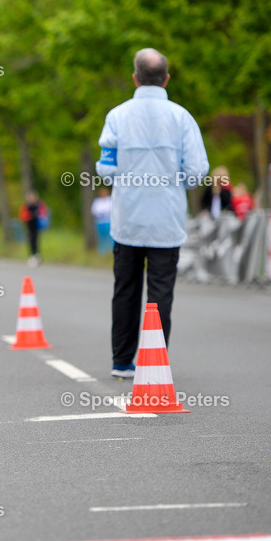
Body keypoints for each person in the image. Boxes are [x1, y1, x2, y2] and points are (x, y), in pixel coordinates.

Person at [96, 48, 209, 379]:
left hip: (128, 220)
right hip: (166, 220)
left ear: (134, 77)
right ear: (167, 78)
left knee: (125, 289)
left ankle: (121, 361)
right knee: (160, 293)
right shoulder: (182, 118)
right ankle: (152, 362)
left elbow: (106, 169)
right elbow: (196, 172)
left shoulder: (117, 116)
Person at [19, 190, 47, 266]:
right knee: (30, 241)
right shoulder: (26, 206)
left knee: (36, 240)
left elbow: (44, 213)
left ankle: (36, 256)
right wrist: (29, 216)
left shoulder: (39, 205)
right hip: (29, 226)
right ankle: (33, 256)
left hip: (37, 226)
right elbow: (23, 216)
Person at [91, 187, 113, 254]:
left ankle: (111, 250)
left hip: (108, 221)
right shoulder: (97, 201)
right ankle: (102, 252)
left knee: (110, 237)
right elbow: (93, 211)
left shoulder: (110, 200)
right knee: (101, 237)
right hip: (100, 221)